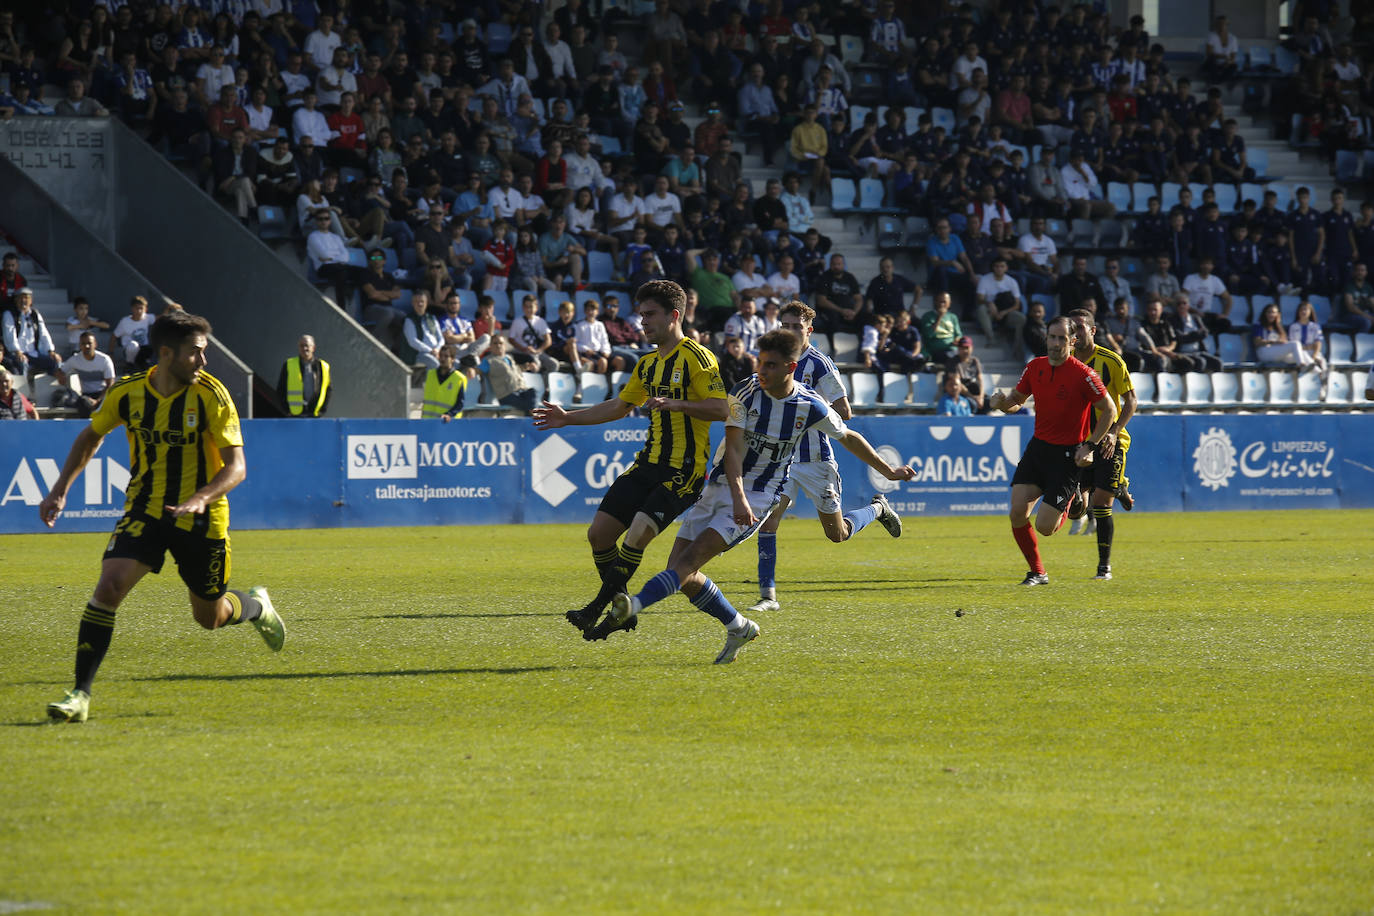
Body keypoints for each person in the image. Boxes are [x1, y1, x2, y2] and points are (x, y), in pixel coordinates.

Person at [606, 328, 914, 662]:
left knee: (688, 563)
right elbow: (734, 450)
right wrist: (735, 496)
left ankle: (634, 603)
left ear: (790, 368)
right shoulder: (745, 392)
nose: (761, 370)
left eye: (770, 365)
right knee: (681, 572)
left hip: (759, 496)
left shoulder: (809, 405)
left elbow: (848, 435)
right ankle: (738, 626)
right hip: (723, 488)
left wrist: (887, 471)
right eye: (760, 362)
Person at [39, 310, 284, 724]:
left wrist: (200, 497)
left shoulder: (212, 395)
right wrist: (60, 489)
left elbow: (236, 466)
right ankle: (79, 694)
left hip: (203, 520)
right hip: (146, 509)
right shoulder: (128, 392)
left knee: (209, 617)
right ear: (167, 354)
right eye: (196, 354)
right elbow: (91, 435)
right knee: (110, 586)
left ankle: (256, 607)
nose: (203, 362)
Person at [532, 280, 727, 639]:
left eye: (650, 315)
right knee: (599, 535)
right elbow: (621, 406)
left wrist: (677, 403)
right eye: (640, 316)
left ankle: (597, 608)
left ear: (674, 316)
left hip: (683, 471)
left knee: (637, 534)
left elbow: (721, 407)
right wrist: (568, 417)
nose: (642, 322)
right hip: (647, 464)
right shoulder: (648, 364)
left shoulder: (698, 357)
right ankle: (621, 607)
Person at [748, 302, 904, 614]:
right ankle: (768, 596)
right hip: (783, 459)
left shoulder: (818, 364)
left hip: (816, 459)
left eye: (795, 326)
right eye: (784, 325)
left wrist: (805, 404)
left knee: (837, 534)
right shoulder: (773, 360)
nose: (788, 331)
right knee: (768, 522)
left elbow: (845, 411)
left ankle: (877, 508)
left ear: (809, 330)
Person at [987, 316, 1116, 586]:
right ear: (1046, 339)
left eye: (1061, 338)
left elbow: (1110, 410)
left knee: (1045, 528)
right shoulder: (1035, 367)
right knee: (1017, 512)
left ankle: (1073, 500)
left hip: (1068, 455)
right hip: (1039, 449)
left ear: (1073, 341)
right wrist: (1001, 404)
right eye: (1052, 337)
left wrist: (1090, 444)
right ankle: (1037, 572)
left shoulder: (1084, 374)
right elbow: (1015, 402)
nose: (1056, 343)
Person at [1064, 309, 1137, 571]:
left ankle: (1103, 568)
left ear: (1092, 331)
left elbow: (1131, 401)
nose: (1075, 333)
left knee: (1101, 504)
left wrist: (1114, 431)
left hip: (1109, 442)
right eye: (1071, 328)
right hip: (1078, 443)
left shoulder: (1111, 361)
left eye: (1080, 327)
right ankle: (1119, 485)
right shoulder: (1065, 362)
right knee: (1075, 510)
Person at [2, 287, 63, 383]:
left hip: (34, 353)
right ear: (16, 300)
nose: (23, 301)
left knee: (56, 361)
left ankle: (53, 391)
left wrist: (50, 351)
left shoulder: (35, 314)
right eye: (20, 298)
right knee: (22, 363)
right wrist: (17, 351)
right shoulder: (9, 314)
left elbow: (44, 334)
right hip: (16, 353)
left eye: (26, 298)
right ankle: (23, 394)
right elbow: (9, 335)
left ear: (31, 300)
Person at [60, 331, 116, 417]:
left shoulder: (104, 359)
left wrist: (97, 401)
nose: (87, 346)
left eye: (89, 343)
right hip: (86, 396)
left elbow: (110, 385)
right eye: (83, 344)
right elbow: (61, 371)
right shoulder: (75, 359)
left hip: (102, 394)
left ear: (95, 344)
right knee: (83, 403)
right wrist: (61, 376)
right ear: (80, 346)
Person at [276, 334, 330, 417]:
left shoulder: (323, 366)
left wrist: (322, 411)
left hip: (314, 414)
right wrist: (286, 410)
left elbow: (328, 390)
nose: (304, 348)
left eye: (307, 345)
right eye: (301, 346)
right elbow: (281, 389)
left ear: (313, 348)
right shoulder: (289, 364)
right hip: (295, 415)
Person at [422, 344, 467, 421]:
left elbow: (460, 404)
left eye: (446, 356)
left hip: (447, 423)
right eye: (441, 355)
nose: (442, 359)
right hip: (427, 422)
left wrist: (449, 414)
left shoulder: (459, 378)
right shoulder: (430, 374)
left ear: (452, 359)